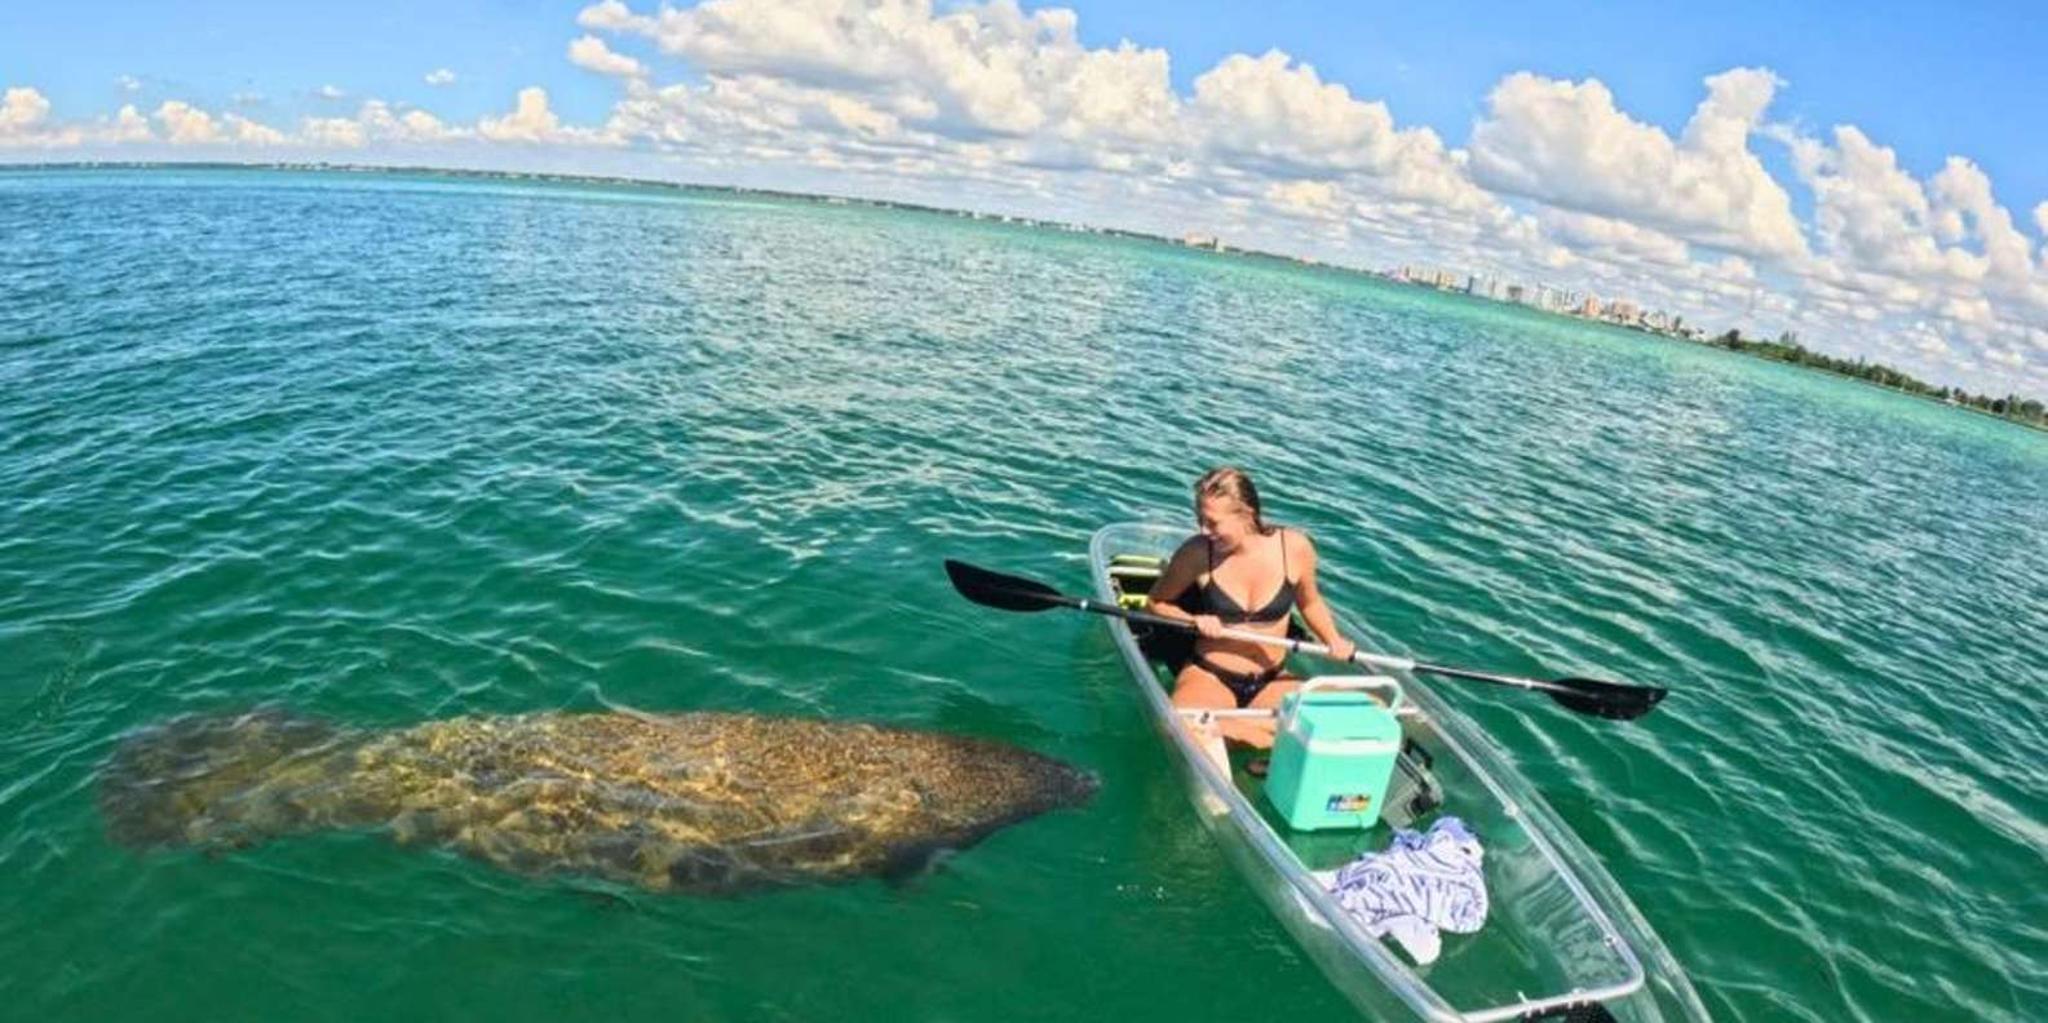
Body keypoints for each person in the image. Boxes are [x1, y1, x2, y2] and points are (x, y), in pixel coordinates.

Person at [1144, 466, 1356, 750]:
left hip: (1273, 680)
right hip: (1210, 676)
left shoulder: (1294, 547)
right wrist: (1193, 619)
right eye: (1199, 520)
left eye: (1212, 522)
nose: (1203, 530)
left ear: (1246, 514)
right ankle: (1261, 740)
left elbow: (1310, 602)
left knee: (1366, 711)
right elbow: (1155, 602)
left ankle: (1238, 735)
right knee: (1180, 731)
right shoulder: (1196, 552)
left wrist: (1332, 638)